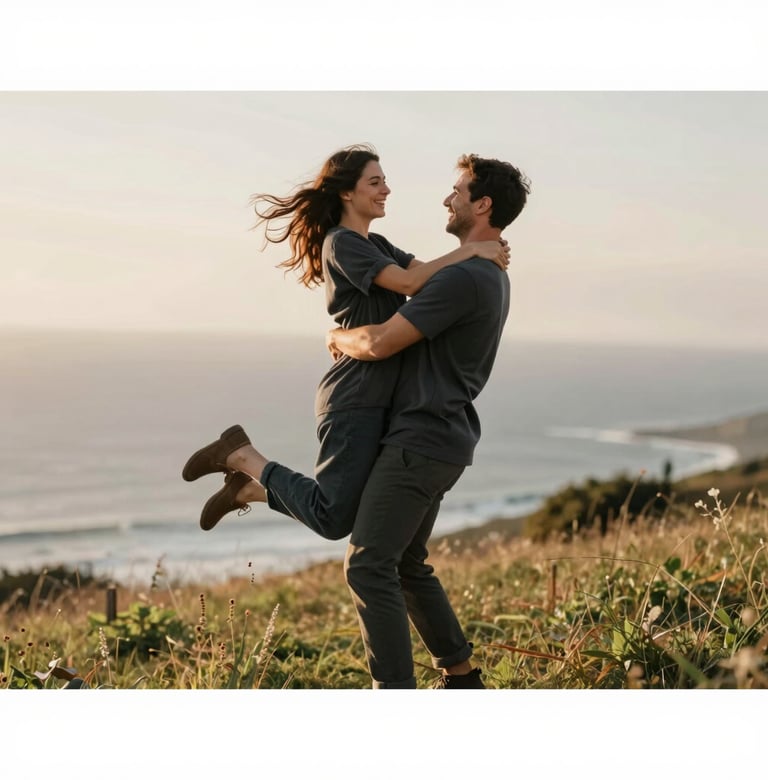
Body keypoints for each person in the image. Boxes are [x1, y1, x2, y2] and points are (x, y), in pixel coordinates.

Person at [182, 144, 509, 543]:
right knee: (335, 519)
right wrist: (474, 249)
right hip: (355, 391)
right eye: (374, 182)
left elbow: (425, 273)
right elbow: (408, 284)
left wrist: (470, 258)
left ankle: (248, 490)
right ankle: (242, 457)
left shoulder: (378, 245)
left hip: (378, 395)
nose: (386, 189)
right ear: (346, 193)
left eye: (385, 181)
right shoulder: (342, 243)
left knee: (348, 513)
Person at [325, 153, 531, 689]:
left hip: (420, 439)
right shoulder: (486, 273)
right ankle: (461, 678)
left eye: (458, 191)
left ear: (482, 204)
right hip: (444, 438)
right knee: (408, 565)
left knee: (367, 566)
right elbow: (412, 279)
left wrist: (336, 338)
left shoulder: (465, 278)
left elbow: (378, 341)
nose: (447, 198)